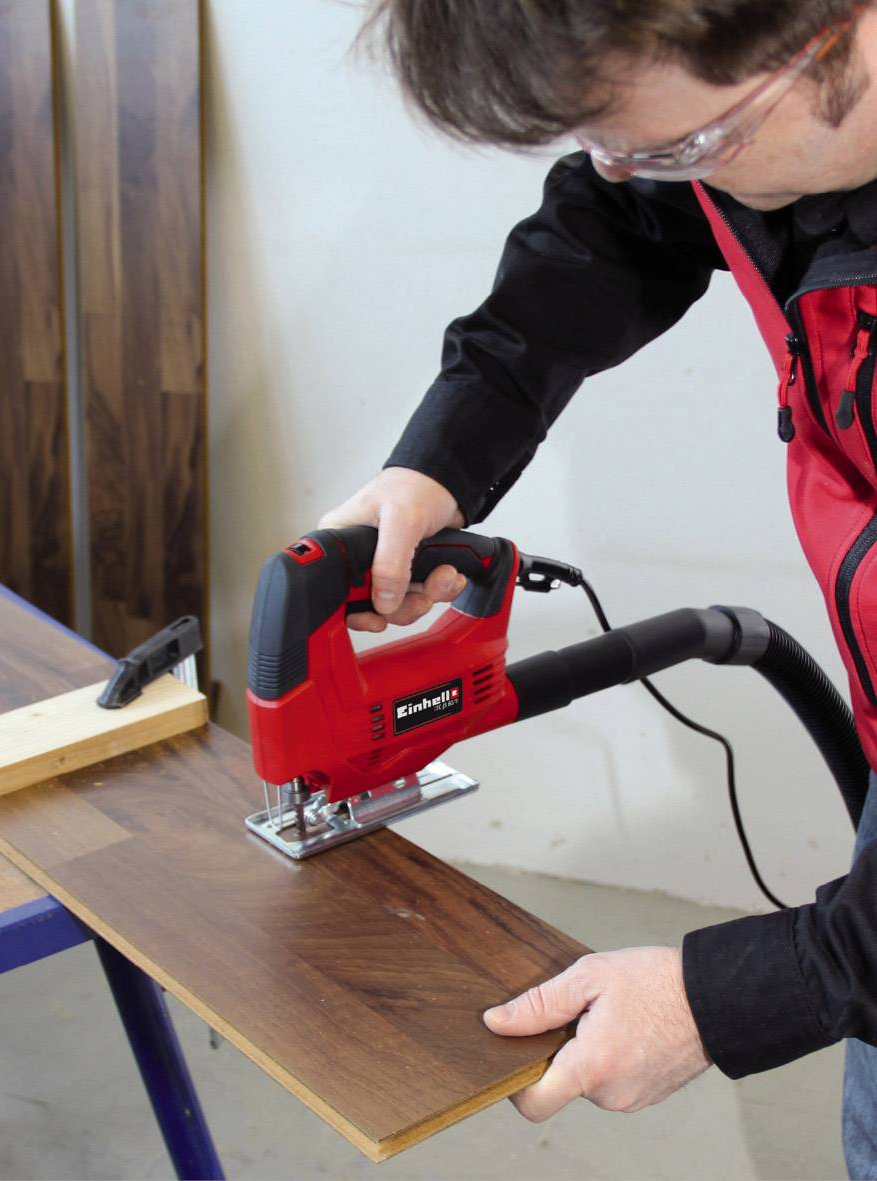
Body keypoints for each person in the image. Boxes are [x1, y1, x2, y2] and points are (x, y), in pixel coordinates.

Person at [318, 1, 877, 1174]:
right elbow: (622, 221)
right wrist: (442, 458)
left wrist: (731, 995)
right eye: (608, 141)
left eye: (680, 145)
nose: (637, 171)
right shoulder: (743, 132)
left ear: (837, 33)